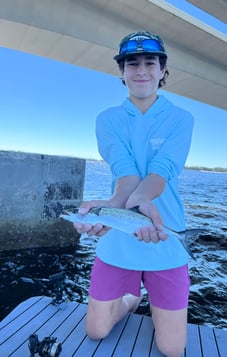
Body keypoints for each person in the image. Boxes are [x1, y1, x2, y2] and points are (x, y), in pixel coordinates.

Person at [74, 31, 194, 357]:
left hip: (163, 232)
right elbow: (125, 172)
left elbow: (162, 170)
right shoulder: (107, 119)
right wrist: (116, 205)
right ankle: (133, 298)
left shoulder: (181, 119)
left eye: (149, 62)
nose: (141, 70)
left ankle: (160, 307)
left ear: (162, 70)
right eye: (132, 63)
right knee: (96, 331)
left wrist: (144, 200)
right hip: (121, 231)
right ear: (121, 72)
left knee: (171, 348)